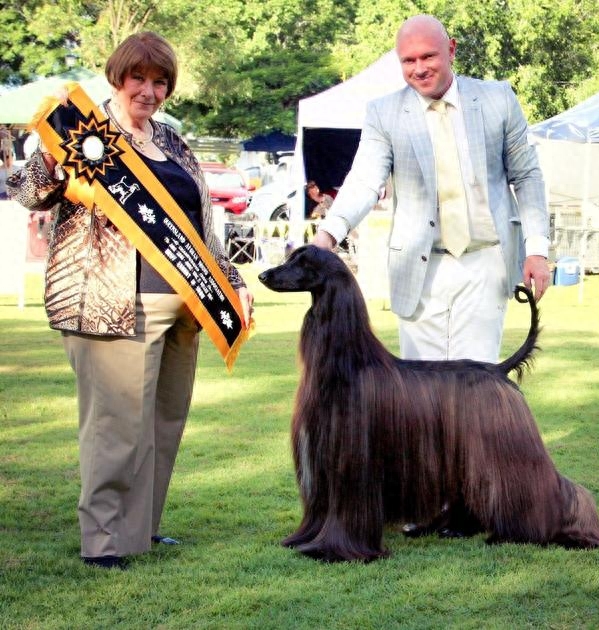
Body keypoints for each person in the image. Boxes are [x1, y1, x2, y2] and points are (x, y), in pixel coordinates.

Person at [7, 32, 253, 569]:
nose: (149, 89)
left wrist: (231, 278)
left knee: (163, 427)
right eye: (138, 77)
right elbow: (28, 191)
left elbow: (201, 226)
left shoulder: (173, 142)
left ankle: (141, 529)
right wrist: (49, 164)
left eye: (159, 80)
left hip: (185, 305)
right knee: (114, 431)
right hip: (107, 302)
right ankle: (103, 541)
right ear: (118, 77)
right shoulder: (82, 134)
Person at [313, 14, 550, 364]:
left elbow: (527, 175)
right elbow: (365, 179)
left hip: (485, 263)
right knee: (420, 401)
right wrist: (327, 236)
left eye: (428, 56)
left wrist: (538, 250)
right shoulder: (384, 113)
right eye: (409, 60)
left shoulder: (498, 100)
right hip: (419, 268)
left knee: (475, 391)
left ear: (451, 50)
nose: (419, 68)